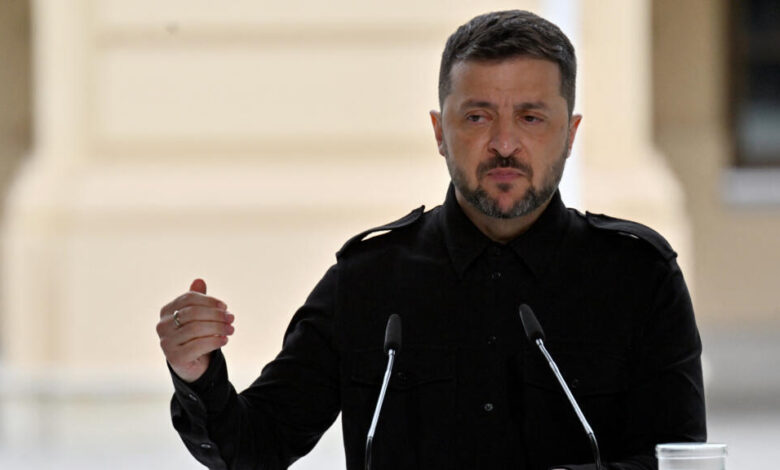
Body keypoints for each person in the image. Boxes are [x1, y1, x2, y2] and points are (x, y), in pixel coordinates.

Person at [156, 10, 706, 470]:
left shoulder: (638, 275)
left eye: (531, 117)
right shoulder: (367, 279)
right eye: (477, 117)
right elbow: (254, 447)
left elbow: (679, 460)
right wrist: (196, 372)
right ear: (440, 132)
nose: (505, 143)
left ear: (570, 134)